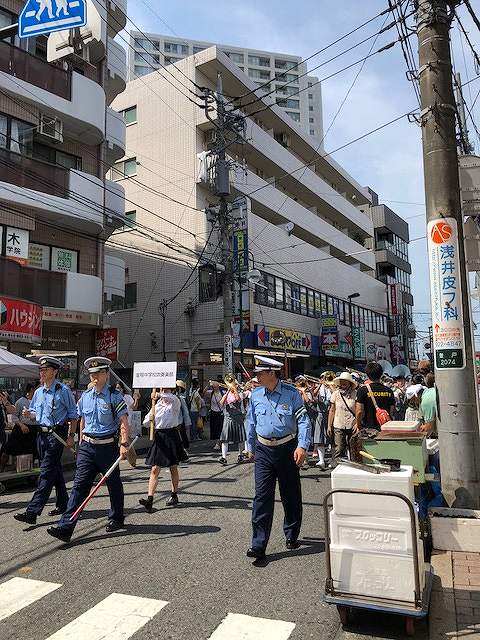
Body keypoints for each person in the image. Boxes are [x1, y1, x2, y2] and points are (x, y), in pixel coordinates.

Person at [46, 357, 130, 543]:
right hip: (87, 447)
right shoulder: (85, 397)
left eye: (98, 373)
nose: (94, 377)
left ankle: (116, 517)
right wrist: (79, 440)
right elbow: (81, 419)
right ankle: (66, 527)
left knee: (113, 484)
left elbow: (124, 421)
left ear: (106, 374)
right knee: (78, 487)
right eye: (92, 374)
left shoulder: (114, 396)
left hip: (107, 447)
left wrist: (124, 444)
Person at [245, 355, 311, 560]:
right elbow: (251, 421)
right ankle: (258, 545)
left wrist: (302, 445)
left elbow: (303, 421)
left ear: (271, 373)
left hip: (287, 448)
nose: (256, 378)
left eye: (260, 374)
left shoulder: (292, 394)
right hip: (263, 449)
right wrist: (250, 446)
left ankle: (291, 534)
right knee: (262, 497)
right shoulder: (255, 395)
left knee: (290, 494)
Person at [14, 357, 78, 526]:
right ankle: (63, 504)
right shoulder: (39, 392)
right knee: (54, 469)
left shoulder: (63, 390)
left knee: (45, 471)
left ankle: (33, 511)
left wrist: (71, 436)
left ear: (54, 371)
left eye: (45, 370)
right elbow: (35, 412)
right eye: (40, 370)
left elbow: (73, 415)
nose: (41, 373)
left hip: (56, 434)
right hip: (40, 435)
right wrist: (29, 414)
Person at [139, 389, 187, 512]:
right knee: (155, 469)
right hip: (159, 436)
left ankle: (174, 494)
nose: (163, 391)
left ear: (172, 390)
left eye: (166, 389)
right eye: (161, 389)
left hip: (172, 435)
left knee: (173, 467)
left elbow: (172, 399)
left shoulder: (175, 401)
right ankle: (150, 500)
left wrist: (158, 394)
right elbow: (145, 423)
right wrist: (150, 418)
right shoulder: (157, 404)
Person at [0, 383, 37, 472]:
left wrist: (6, 402)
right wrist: (22, 425)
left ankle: (26, 470)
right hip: (20, 429)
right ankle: (1, 469)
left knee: (30, 452)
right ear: (32, 389)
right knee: (8, 450)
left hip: (33, 429)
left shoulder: (38, 401)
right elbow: (14, 416)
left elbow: (12, 410)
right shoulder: (21, 401)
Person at [355, 361, 395, 432]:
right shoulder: (389, 391)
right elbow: (391, 412)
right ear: (381, 374)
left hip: (369, 429)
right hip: (385, 429)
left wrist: (358, 425)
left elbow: (359, 411)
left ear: (367, 375)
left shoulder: (362, 390)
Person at [328, 372, 357, 467]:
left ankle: (354, 465)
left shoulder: (355, 394)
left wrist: (357, 423)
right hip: (338, 423)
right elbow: (332, 410)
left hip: (352, 423)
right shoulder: (335, 394)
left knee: (352, 447)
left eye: (345, 382)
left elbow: (359, 410)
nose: (343, 383)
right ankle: (338, 466)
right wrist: (329, 425)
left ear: (350, 383)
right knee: (339, 447)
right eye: (341, 381)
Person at [219, 378, 246, 465]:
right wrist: (227, 392)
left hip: (238, 418)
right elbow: (221, 402)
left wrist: (234, 390)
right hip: (228, 418)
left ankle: (240, 454)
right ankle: (224, 457)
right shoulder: (226, 394)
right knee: (224, 438)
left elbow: (238, 399)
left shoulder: (240, 393)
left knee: (240, 438)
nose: (230, 386)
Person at [312, 375, 331, 469]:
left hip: (331, 415)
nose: (325, 380)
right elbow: (314, 396)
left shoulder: (331, 389)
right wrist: (320, 385)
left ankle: (334, 460)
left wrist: (330, 386)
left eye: (326, 378)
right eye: (323, 378)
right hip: (320, 414)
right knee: (319, 437)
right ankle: (322, 460)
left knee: (332, 438)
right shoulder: (320, 390)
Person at [174, 380, 191, 450]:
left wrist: (187, 422)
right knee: (180, 436)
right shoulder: (178, 398)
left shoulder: (180, 399)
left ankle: (183, 450)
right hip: (177, 421)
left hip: (179, 421)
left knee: (181, 436)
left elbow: (185, 412)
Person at [208, 381, 224, 447]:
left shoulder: (222, 393)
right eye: (213, 386)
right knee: (214, 427)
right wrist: (208, 385)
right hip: (213, 412)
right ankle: (218, 441)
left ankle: (218, 442)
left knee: (219, 427)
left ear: (218, 386)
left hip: (220, 412)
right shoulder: (211, 392)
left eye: (215, 386)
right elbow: (203, 392)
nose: (214, 387)